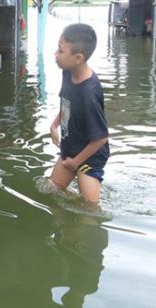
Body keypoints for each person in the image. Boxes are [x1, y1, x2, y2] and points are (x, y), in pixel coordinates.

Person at [49, 24, 110, 204]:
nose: (55, 55)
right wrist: (54, 125)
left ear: (78, 58)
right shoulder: (68, 72)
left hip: (90, 157)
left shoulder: (89, 94)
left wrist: (76, 163)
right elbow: (66, 104)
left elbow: (101, 138)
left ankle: (87, 179)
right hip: (71, 147)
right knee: (51, 190)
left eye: (60, 51)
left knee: (89, 209)